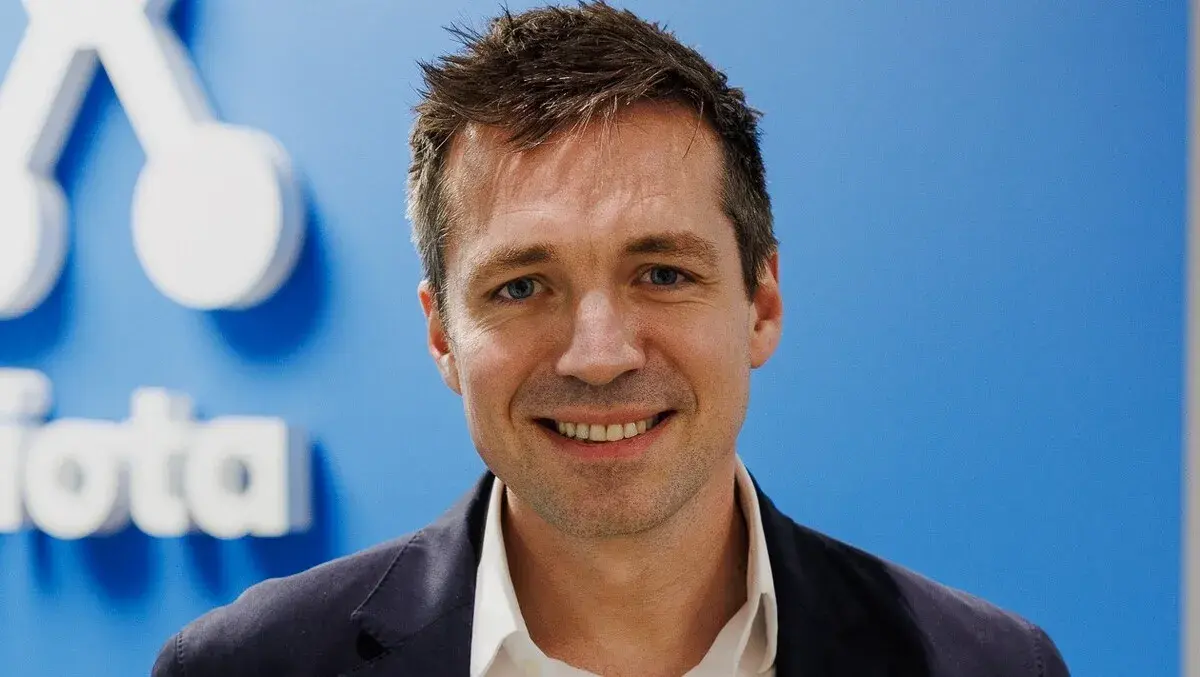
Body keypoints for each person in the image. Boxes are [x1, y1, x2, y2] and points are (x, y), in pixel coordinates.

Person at [152, 3, 1070, 676]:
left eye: (661, 273)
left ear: (760, 303)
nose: (599, 354)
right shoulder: (245, 667)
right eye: (522, 286)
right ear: (441, 334)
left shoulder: (986, 665)